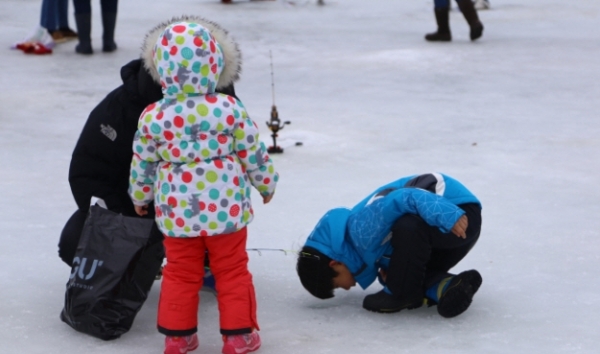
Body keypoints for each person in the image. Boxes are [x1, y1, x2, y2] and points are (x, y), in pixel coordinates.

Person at [128, 17, 278, 354]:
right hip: (226, 212)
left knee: (180, 272)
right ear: (214, 64)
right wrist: (265, 184)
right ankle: (239, 337)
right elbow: (252, 151)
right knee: (232, 269)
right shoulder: (228, 109)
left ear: (161, 68)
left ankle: (178, 339)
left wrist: (140, 196)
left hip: (178, 215)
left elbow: (143, 161)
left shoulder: (153, 116)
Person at [59, 17, 239, 289]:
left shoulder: (226, 108)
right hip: (136, 208)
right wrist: (127, 220)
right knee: (74, 242)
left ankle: (205, 258)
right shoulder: (122, 106)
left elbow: (243, 158)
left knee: (211, 240)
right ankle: (140, 262)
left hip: (199, 209)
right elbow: (89, 169)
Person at [297, 173, 482, 318]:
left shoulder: (361, 228)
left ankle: (401, 295)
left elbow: (405, 196)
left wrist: (448, 214)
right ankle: (449, 286)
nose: (346, 289)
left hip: (457, 213)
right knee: (404, 276)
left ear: (334, 264)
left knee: (407, 228)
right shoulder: (363, 250)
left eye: (337, 285)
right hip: (441, 232)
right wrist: (393, 275)